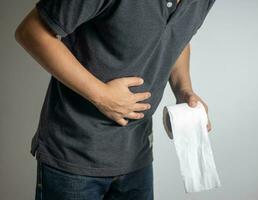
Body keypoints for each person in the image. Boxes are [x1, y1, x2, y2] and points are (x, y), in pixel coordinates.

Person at [14, 0, 215, 199]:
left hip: (137, 155)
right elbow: (31, 32)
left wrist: (183, 89)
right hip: (74, 152)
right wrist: (103, 96)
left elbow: (178, 36)